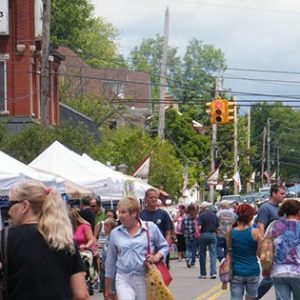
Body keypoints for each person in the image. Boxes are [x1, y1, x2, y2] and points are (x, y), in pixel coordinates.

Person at [5, 180, 88, 300]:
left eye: (10, 204)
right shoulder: (65, 241)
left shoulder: (5, 239)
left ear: (25, 206)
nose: (8, 211)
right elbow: (81, 295)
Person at [104, 197, 169, 300]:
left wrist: (156, 257)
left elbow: (164, 246)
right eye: (119, 212)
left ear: (134, 213)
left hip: (144, 277)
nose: (120, 216)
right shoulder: (115, 233)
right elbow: (110, 261)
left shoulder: (150, 228)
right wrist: (107, 288)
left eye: (123, 212)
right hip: (123, 277)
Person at [265, 199, 300, 300]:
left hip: (278, 271)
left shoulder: (274, 225)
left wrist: (266, 268)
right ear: (298, 212)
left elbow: (265, 249)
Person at [255, 184, 285, 299]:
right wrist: (262, 248)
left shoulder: (280, 209)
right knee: (272, 277)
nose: (284, 196)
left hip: (281, 249)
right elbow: (261, 228)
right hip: (270, 248)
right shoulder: (265, 208)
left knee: (275, 277)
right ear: (273, 193)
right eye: (281, 193)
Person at [230, 203, 262, 300]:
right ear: (251, 216)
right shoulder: (256, 232)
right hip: (252, 270)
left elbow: (229, 253)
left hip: (236, 271)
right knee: (252, 297)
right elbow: (260, 254)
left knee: (235, 297)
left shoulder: (231, 232)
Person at [140, 188, 173, 268]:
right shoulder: (141, 215)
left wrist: (166, 245)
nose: (154, 199)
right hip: (146, 249)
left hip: (160, 248)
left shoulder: (163, 214)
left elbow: (168, 232)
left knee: (161, 273)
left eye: (155, 197)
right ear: (146, 200)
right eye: (151, 197)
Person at [198, 201, 219, 279]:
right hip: (212, 234)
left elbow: (199, 227)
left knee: (202, 254)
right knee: (213, 254)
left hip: (204, 234)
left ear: (203, 208)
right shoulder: (214, 215)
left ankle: (203, 273)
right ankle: (213, 272)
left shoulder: (201, 216)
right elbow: (217, 227)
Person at [101, 217, 118, 300]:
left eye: (105, 225)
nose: (103, 227)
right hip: (105, 268)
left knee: (113, 291)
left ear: (109, 226)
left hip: (112, 269)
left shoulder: (114, 238)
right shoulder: (108, 237)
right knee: (107, 291)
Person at [181, 204, 197, 268]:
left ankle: (187, 259)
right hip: (194, 235)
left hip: (186, 235)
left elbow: (182, 227)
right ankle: (192, 262)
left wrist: (183, 232)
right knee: (193, 249)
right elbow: (196, 227)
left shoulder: (184, 218)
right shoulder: (195, 217)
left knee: (187, 248)